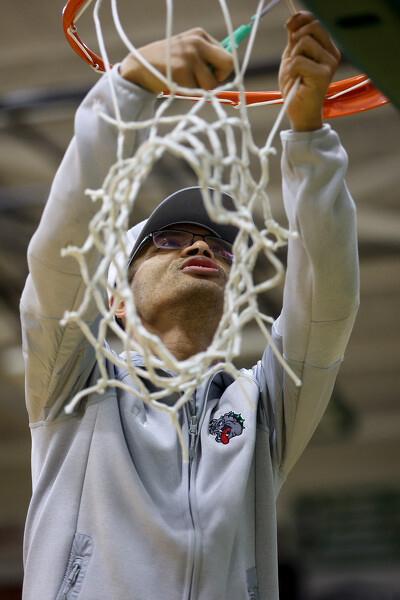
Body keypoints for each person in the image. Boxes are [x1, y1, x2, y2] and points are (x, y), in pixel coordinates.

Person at [20, 12, 359, 600]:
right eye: (168, 239)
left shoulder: (260, 406)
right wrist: (128, 88)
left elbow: (327, 302)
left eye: (220, 247)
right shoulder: (73, 384)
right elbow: (60, 256)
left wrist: (308, 136)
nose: (202, 248)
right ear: (116, 302)